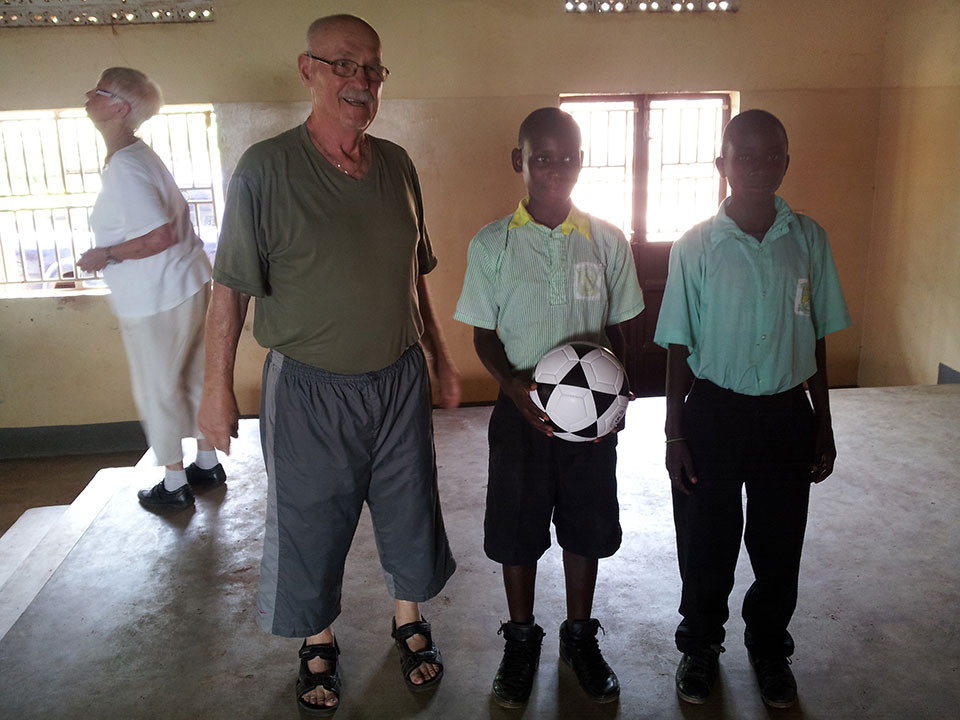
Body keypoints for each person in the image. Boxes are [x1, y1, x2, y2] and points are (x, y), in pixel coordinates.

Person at [197, 14, 459, 716]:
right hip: (309, 387)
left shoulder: (398, 165)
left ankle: (409, 622)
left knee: (411, 509)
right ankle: (319, 639)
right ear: (308, 70)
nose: (360, 81)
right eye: (344, 65)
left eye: (372, 68)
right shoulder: (265, 169)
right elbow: (231, 287)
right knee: (311, 518)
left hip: (399, 378)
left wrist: (439, 355)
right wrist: (214, 389)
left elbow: (417, 272)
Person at [654, 109, 851, 709]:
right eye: (746, 155)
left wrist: (824, 421)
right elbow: (678, 344)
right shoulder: (695, 246)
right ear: (722, 165)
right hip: (714, 413)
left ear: (787, 163)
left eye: (773, 155)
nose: (760, 166)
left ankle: (769, 648)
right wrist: (674, 434)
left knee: (779, 539)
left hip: (787, 415)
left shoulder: (809, 238)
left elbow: (817, 335)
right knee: (705, 538)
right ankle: (700, 646)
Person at [454, 107, 645, 708]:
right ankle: (520, 638)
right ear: (521, 162)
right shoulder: (492, 244)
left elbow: (623, 329)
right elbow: (482, 334)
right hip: (522, 412)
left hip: (589, 421)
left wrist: (616, 391)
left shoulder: (607, 240)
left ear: (581, 163)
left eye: (567, 158)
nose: (555, 169)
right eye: (542, 158)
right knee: (517, 530)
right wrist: (512, 386)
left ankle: (579, 634)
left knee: (585, 526)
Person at [76, 67, 226, 513]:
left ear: (120, 108)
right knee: (193, 377)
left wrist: (104, 254)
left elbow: (158, 236)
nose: (89, 95)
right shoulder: (138, 155)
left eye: (99, 92)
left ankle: (175, 483)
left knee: (157, 387)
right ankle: (206, 462)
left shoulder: (126, 166)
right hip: (189, 282)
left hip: (156, 296)